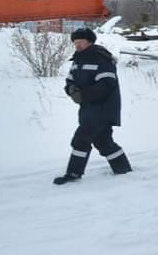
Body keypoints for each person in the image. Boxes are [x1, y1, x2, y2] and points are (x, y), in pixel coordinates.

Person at [54, 28, 131, 184]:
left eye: (80, 42)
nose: (77, 46)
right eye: (75, 43)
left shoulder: (101, 58)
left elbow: (107, 84)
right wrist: (72, 90)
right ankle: (123, 168)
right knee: (103, 141)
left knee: (81, 139)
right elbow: (70, 81)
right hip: (87, 108)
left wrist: (84, 95)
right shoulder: (77, 60)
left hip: (103, 107)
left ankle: (73, 173)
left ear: (89, 42)